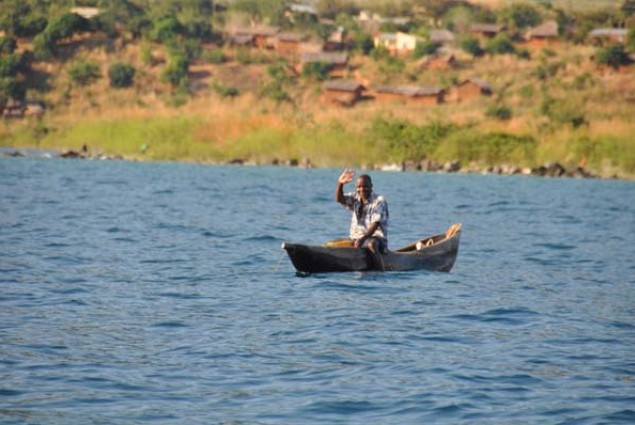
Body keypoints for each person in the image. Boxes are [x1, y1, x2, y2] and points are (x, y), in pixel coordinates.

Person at [335, 169, 389, 257]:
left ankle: (380, 269)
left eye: (365, 186)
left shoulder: (379, 200)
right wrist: (340, 184)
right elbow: (339, 199)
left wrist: (363, 239)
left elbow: (375, 225)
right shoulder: (355, 197)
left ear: (371, 186)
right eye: (359, 187)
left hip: (376, 240)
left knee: (371, 244)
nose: (362, 189)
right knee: (335, 243)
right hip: (356, 239)